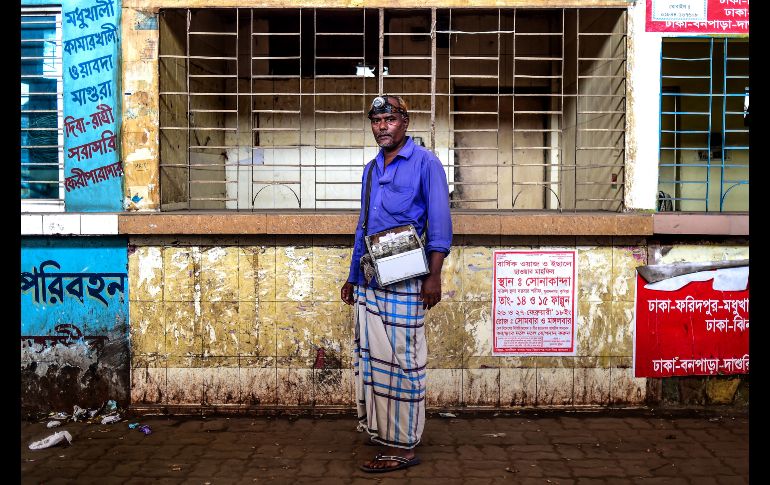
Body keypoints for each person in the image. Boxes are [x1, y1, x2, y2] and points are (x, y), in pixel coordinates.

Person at [340, 95, 452, 473]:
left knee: (403, 361)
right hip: (371, 279)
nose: (382, 126)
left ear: (405, 121)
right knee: (374, 359)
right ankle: (383, 432)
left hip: (407, 279)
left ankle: (403, 446)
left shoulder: (426, 163)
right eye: (376, 121)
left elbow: (439, 224)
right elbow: (363, 227)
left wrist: (434, 276)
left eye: (389, 119)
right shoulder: (371, 170)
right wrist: (353, 275)